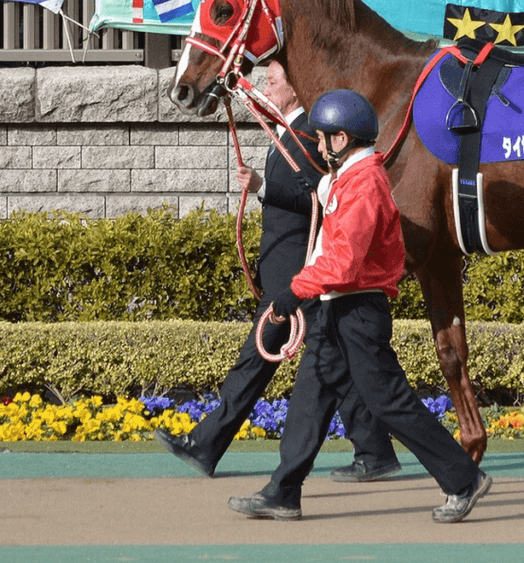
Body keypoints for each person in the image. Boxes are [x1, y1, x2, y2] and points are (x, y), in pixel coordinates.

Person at [226, 89, 491, 524]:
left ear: (343, 138)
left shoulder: (365, 181)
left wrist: (295, 290)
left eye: (325, 137)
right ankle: (283, 491)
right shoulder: (351, 175)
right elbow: (323, 203)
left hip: (357, 311)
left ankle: (463, 479)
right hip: (336, 308)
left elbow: (344, 260)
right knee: (309, 399)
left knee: (390, 402)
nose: (320, 144)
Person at [154, 62, 401, 484]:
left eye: (274, 79)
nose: (266, 84)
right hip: (288, 270)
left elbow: (320, 197)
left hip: (298, 273)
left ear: (295, 87)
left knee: (256, 359)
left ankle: (207, 444)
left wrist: (262, 187)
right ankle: (375, 452)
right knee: (335, 369)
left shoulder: (309, 132)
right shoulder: (286, 129)